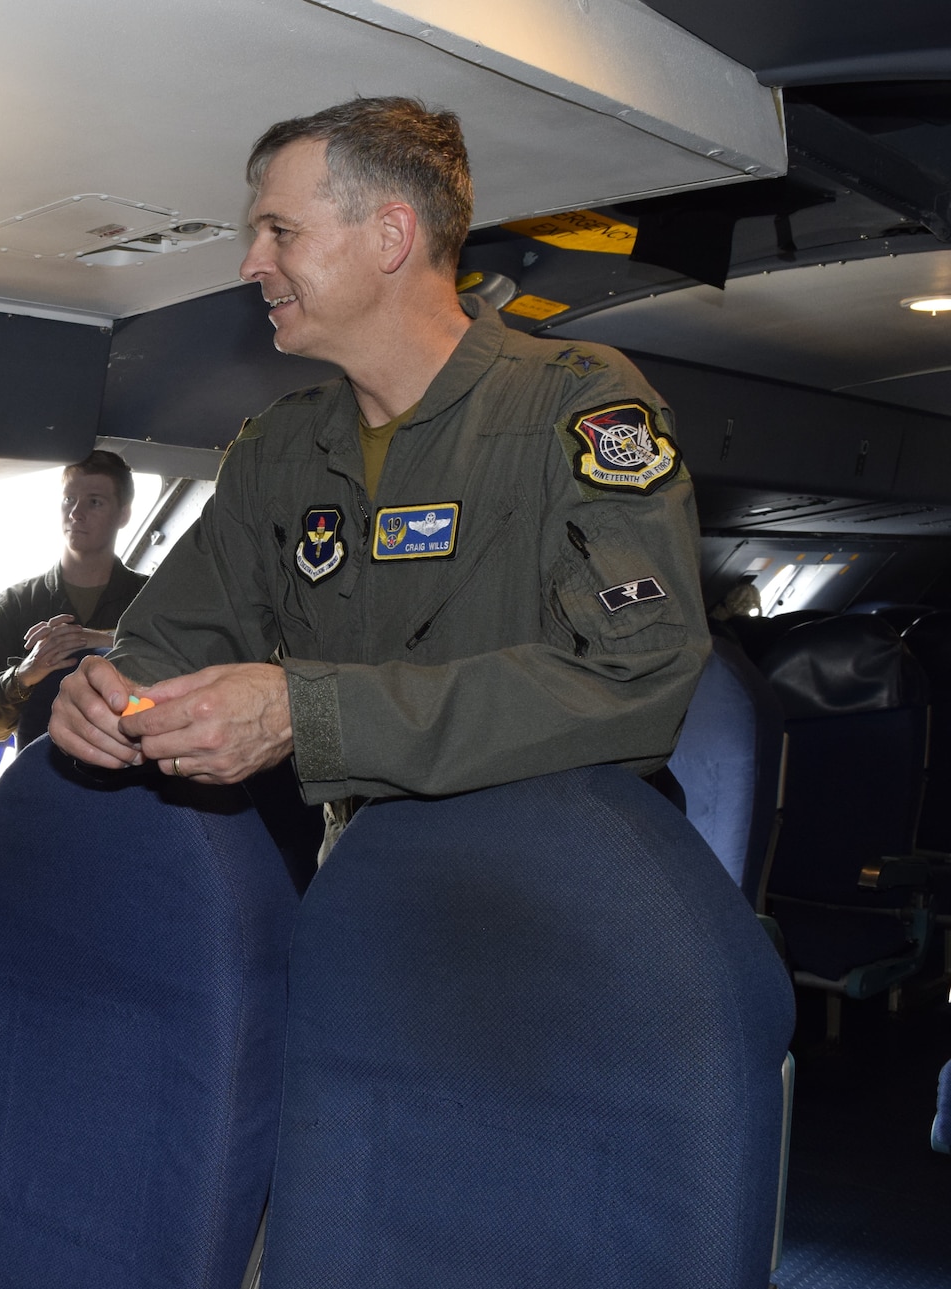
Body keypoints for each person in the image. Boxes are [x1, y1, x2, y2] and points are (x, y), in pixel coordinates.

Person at [51, 98, 709, 837]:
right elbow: (174, 635)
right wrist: (112, 693)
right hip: (364, 882)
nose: (251, 263)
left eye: (281, 232)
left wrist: (311, 714)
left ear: (391, 235)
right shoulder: (279, 449)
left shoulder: (575, 401)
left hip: (549, 881)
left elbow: (638, 676)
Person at [0, 451, 150, 748]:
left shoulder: (152, 599)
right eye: (68, 500)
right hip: (42, 776)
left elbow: (192, 685)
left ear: (123, 514)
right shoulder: (15, 606)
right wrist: (25, 674)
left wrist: (107, 641)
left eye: (94, 502)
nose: (75, 513)